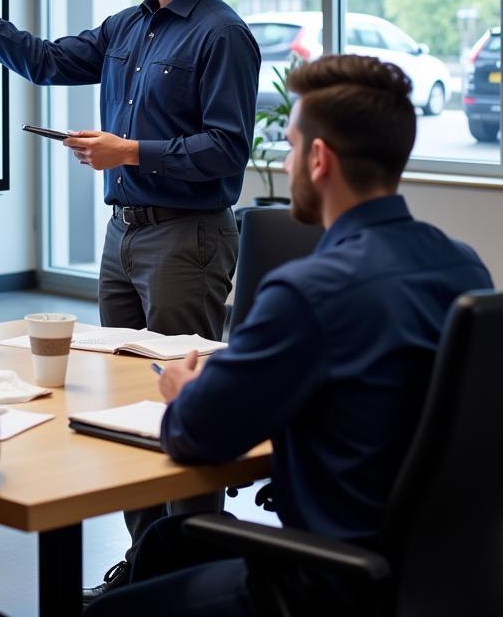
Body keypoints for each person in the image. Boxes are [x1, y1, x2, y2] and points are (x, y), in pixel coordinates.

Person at [0, 0, 261, 591]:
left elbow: (227, 150)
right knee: (128, 405)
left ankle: (190, 576)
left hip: (184, 241)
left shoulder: (221, 34)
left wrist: (130, 152)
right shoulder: (128, 27)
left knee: (181, 408)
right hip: (125, 237)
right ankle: (147, 570)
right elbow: (45, 61)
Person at [85, 54, 493, 617]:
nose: (288, 159)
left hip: (329, 582)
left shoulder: (309, 292)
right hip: (444, 575)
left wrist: (183, 388)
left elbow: (196, 437)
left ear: (319, 160)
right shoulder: (464, 267)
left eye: (294, 145)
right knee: (168, 543)